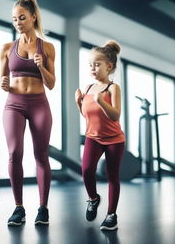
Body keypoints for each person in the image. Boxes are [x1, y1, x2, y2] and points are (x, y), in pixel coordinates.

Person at [0, 0, 55, 226]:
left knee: (41, 155)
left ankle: (43, 208)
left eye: (22, 17)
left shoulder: (48, 47)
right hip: (14, 104)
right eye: (14, 19)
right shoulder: (6, 48)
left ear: (33, 17)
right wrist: (4, 84)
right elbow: (3, 79)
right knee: (14, 153)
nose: (18, 22)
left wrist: (41, 66)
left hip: (39, 104)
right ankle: (18, 208)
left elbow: (51, 84)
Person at [75, 40, 125, 230]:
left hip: (114, 140)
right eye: (90, 65)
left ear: (109, 66)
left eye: (97, 64)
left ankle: (111, 215)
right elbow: (87, 116)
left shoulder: (112, 88)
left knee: (112, 176)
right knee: (87, 170)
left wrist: (101, 101)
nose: (93, 68)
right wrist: (79, 103)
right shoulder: (87, 88)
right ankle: (93, 199)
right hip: (93, 138)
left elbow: (115, 115)